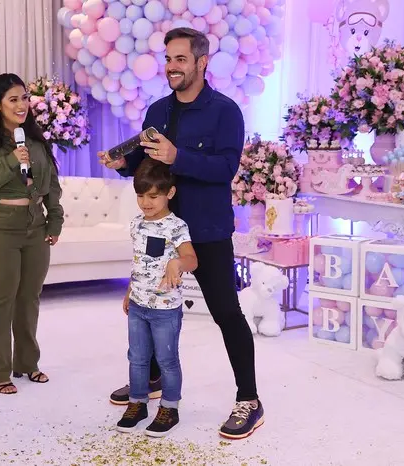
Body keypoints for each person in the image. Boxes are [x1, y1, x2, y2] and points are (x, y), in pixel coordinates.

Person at [99, 27, 264, 440]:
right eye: (168, 59)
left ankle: (249, 400)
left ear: (201, 62)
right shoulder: (157, 111)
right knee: (152, 303)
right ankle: (152, 379)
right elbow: (145, 161)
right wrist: (122, 164)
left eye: (180, 59)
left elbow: (225, 169)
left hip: (207, 231)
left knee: (226, 313)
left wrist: (179, 156)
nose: (171, 67)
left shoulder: (226, 111)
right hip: (161, 229)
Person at [0, 73, 64, 395]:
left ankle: (27, 363)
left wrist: (55, 220)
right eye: (13, 99)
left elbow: (52, 186)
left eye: (25, 98)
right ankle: (0, 372)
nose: (22, 105)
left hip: (35, 227)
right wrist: (10, 161)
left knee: (28, 299)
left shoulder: (37, 141)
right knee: (0, 300)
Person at [116, 157, 197, 437]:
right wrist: (130, 290)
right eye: (140, 196)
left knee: (167, 360)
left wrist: (177, 263)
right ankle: (137, 403)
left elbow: (192, 259)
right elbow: (139, 262)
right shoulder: (136, 224)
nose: (145, 202)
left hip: (165, 309)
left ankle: (169, 408)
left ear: (169, 193)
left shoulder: (176, 226)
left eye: (153, 196)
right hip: (138, 305)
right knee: (137, 357)